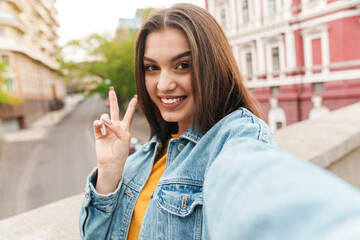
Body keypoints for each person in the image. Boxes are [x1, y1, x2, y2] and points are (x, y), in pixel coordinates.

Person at [79, 3, 360, 240]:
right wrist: (109, 173)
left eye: (183, 65)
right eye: (152, 68)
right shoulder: (142, 159)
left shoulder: (234, 137)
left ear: (211, 65)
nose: (163, 84)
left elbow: (254, 180)